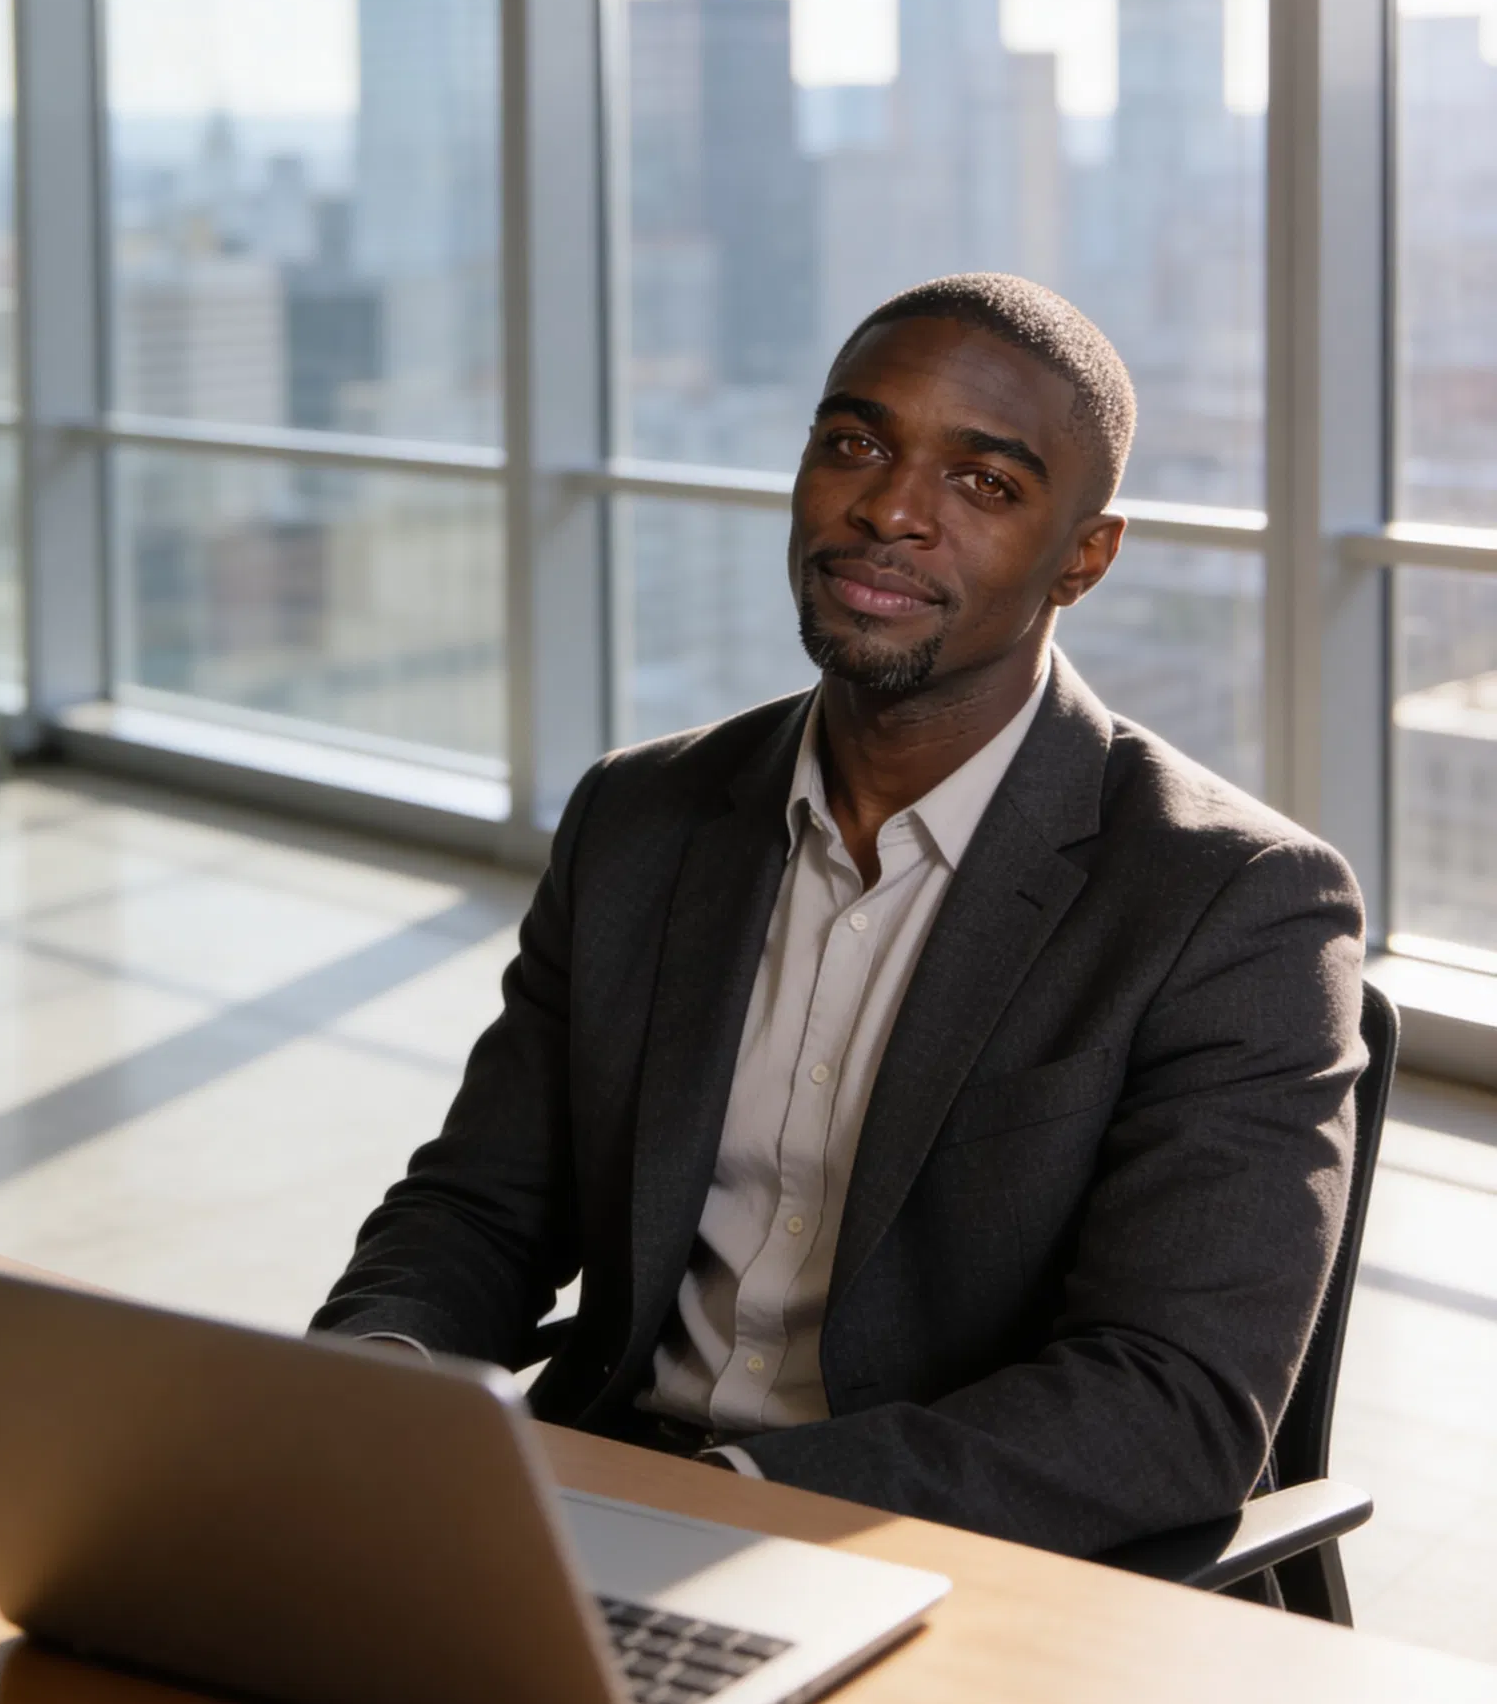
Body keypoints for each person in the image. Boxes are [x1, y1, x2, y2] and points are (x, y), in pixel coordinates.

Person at [312, 274, 1364, 1556]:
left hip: (936, 1556)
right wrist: (373, 1393)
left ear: (1082, 557)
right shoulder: (641, 817)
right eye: (854, 445)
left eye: (984, 483)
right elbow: (478, 1211)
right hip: (588, 1505)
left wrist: (726, 1510)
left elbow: (1171, 1406)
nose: (889, 512)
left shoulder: (1233, 905)